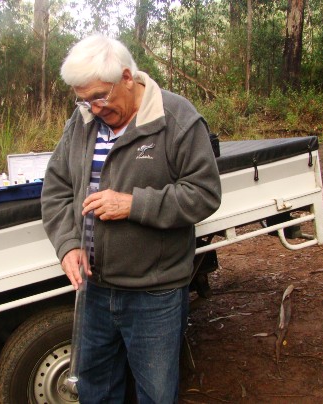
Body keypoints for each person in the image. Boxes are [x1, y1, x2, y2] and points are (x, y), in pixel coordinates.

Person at [41, 34, 222, 403]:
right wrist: (68, 244)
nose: (91, 108)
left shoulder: (176, 119)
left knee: (154, 394)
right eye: (82, 99)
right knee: (95, 391)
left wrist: (134, 204)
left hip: (154, 293)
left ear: (127, 77)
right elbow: (56, 188)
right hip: (94, 289)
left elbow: (204, 194)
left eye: (98, 97)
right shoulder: (81, 123)